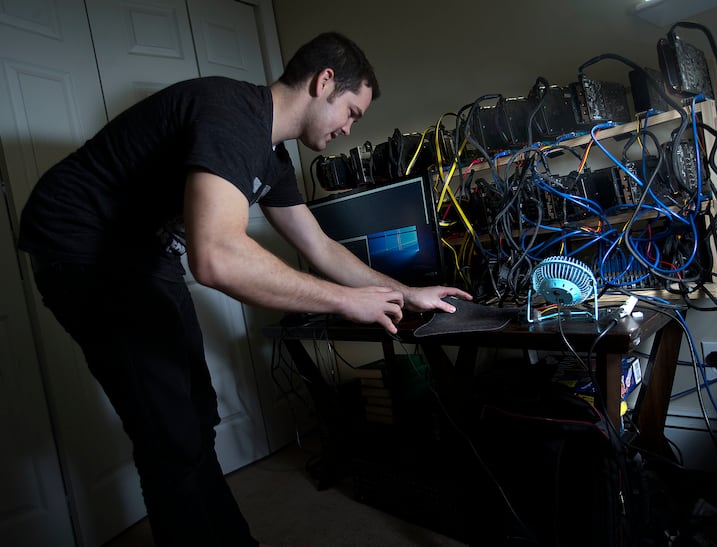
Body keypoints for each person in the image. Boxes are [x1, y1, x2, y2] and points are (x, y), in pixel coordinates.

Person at [17, 31, 471, 547]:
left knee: (198, 414)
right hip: (81, 246)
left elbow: (320, 247)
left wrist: (407, 293)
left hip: (142, 253)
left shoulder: (271, 158)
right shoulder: (232, 112)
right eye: (351, 111)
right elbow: (216, 258)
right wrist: (345, 300)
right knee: (169, 433)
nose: (348, 128)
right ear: (324, 82)